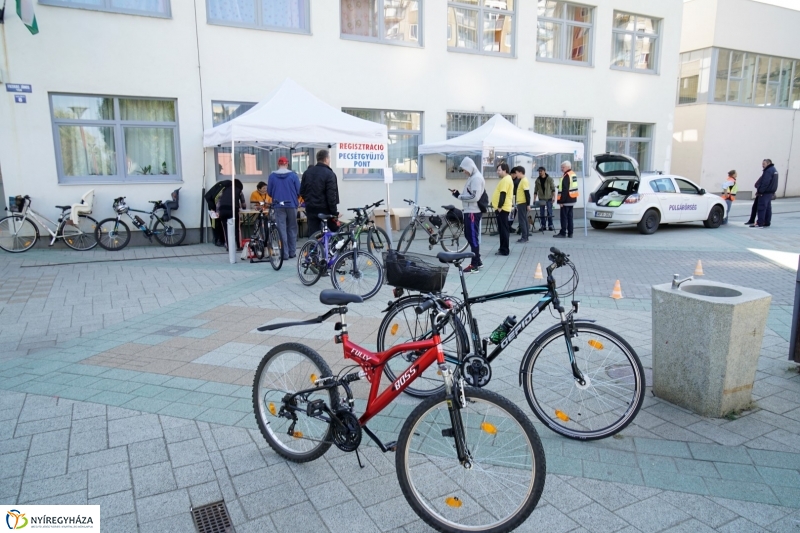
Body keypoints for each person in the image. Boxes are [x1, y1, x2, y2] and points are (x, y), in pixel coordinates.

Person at [449, 157, 485, 273]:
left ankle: (474, 265)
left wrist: (459, 196)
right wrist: (458, 194)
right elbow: (470, 194)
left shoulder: (476, 178)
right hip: (470, 211)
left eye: (464, 169)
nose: (464, 172)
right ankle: (477, 260)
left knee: (472, 238)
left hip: (473, 212)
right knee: (469, 236)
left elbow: (475, 197)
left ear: (470, 167)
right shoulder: (473, 177)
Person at [267, 156, 301, 260]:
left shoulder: (272, 176)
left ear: (278, 164)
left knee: (282, 229)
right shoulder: (293, 176)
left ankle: (284, 254)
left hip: (278, 205)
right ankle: (292, 252)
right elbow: (299, 190)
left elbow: (269, 192)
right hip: (291, 205)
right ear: (287, 164)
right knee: (292, 228)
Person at [300, 149, 339, 236]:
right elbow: (331, 196)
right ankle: (332, 248)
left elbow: (302, 191)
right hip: (325, 210)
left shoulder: (307, 173)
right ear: (326, 159)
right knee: (335, 231)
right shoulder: (329, 174)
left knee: (313, 234)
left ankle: (313, 248)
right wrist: (334, 213)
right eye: (329, 158)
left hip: (310, 209)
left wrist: (309, 200)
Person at [205, 179, 245, 250]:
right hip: (233, 210)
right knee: (237, 228)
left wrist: (217, 211)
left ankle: (228, 246)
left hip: (222, 210)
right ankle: (239, 246)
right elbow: (243, 204)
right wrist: (243, 207)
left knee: (225, 229)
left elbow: (219, 202)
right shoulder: (239, 190)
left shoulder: (223, 190)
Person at [491, 162, 514, 255]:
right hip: (503, 208)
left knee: (503, 229)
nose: (497, 172)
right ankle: (503, 248)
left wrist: (500, 206)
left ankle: (504, 250)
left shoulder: (505, 180)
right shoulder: (507, 179)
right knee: (502, 229)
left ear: (505, 170)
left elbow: (503, 194)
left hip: (502, 209)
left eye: (499, 170)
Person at [554, 161, 578, 239]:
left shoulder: (566, 175)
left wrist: (561, 201)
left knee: (564, 217)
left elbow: (565, 189)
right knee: (570, 217)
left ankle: (563, 233)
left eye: (563, 167)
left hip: (566, 200)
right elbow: (570, 186)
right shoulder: (573, 174)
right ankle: (570, 233)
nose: (561, 169)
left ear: (568, 167)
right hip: (572, 199)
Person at [753, 159, 778, 228]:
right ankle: (767, 222)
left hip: (765, 193)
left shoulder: (768, 171)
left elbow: (765, 182)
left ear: (768, 163)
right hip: (770, 192)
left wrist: (760, 191)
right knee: (768, 208)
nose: (762, 165)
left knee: (761, 208)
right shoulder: (774, 170)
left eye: (764, 164)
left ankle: (760, 223)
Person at [533, 167, 556, 231]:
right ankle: (543, 225)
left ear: (545, 171)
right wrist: (534, 199)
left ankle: (550, 225)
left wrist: (554, 197)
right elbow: (535, 190)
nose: (540, 172)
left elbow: (553, 189)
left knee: (550, 212)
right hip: (541, 198)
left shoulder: (549, 179)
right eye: (539, 171)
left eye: (541, 171)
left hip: (549, 198)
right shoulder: (537, 180)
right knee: (542, 212)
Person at [513, 166, 531, 243]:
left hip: (522, 203)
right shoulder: (522, 180)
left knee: (522, 221)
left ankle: (524, 237)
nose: (516, 175)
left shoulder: (524, 181)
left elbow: (527, 193)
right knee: (524, 220)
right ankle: (525, 236)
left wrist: (528, 204)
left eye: (517, 173)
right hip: (521, 203)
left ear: (520, 172)